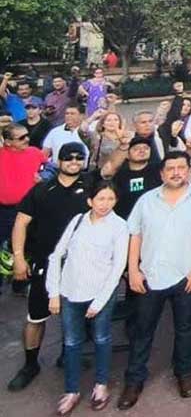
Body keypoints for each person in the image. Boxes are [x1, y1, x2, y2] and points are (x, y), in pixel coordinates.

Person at [118, 150, 191, 409]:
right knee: (142, 331)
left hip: (186, 276)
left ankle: (184, 374)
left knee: (186, 329)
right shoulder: (146, 200)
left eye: (181, 167)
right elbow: (135, 235)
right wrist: (133, 270)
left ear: (188, 171)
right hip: (150, 276)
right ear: (162, 173)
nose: (176, 172)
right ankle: (134, 380)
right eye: (171, 168)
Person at [7, 141, 91, 393]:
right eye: (68, 157)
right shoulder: (41, 190)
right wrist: (19, 258)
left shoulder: (91, 187)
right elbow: (21, 223)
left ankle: (68, 355)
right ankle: (30, 365)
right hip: (44, 263)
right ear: (59, 160)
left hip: (79, 265)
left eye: (79, 157)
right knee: (35, 317)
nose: (74, 161)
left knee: (75, 313)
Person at [46, 181, 128, 415]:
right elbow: (57, 255)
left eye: (110, 199)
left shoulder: (119, 226)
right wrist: (54, 293)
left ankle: (101, 385)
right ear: (90, 201)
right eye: (100, 199)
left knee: (102, 338)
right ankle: (72, 390)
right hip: (71, 292)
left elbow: (117, 268)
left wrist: (99, 302)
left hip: (100, 293)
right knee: (72, 342)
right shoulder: (78, 221)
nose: (105, 204)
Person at [0, 124, 47, 293]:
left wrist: (43, 178)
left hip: (32, 209)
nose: (26, 139)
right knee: (4, 247)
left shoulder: (35, 152)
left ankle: (21, 284)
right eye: (20, 137)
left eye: (26, 135)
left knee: (28, 246)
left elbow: (50, 169)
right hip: (6, 211)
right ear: (7, 142)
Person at [105, 138, 163, 219]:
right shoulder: (120, 175)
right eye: (136, 149)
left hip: (155, 219)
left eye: (146, 148)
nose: (142, 151)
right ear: (127, 155)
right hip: (126, 221)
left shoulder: (159, 170)